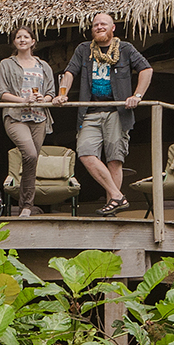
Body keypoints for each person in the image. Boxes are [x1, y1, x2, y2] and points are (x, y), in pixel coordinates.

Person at [54, 12, 153, 215]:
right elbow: (70, 72)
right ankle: (118, 196)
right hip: (90, 112)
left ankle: (112, 207)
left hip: (117, 111)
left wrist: (138, 95)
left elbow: (146, 69)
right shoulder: (84, 49)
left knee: (114, 159)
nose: (99, 27)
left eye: (103, 24)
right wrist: (62, 94)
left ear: (112, 27)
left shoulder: (125, 48)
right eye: (96, 24)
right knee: (85, 152)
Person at [0, 25, 56, 217]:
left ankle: (26, 207)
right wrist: (23, 100)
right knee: (29, 154)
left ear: (33, 42)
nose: (22, 40)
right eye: (18, 37)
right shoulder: (6, 64)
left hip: (39, 117)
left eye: (26, 37)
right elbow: (2, 93)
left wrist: (43, 100)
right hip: (15, 116)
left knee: (31, 161)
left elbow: (51, 94)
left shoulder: (43, 66)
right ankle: (25, 205)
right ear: (14, 42)